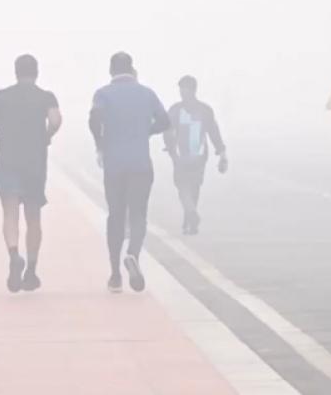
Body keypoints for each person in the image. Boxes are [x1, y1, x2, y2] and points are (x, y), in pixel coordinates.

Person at [0, 55, 62, 293]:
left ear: (16, 72)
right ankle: (32, 271)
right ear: (36, 72)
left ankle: (14, 254)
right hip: (35, 164)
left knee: (10, 212)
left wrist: (1, 125)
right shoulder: (46, 97)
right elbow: (56, 120)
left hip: (8, 162)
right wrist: (47, 134)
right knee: (33, 217)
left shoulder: (2, 97)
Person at [89, 52, 169, 293]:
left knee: (115, 216)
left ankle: (115, 275)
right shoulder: (147, 93)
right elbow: (165, 121)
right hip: (140, 164)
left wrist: (100, 143)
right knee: (138, 214)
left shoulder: (103, 94)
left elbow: (94, 119)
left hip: (114, 164)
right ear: (132, 69)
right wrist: (146, 130)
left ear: (110, 71)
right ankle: (132, 252)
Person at [163, 76, 228, 235]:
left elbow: (167, 131)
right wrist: (221, 151)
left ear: (192, 90)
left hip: (184, 156)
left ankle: (191, 213)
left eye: (183, 89)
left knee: (183, 187)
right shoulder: (204, 110)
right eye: (180, 89)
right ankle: (190, 221)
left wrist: (171, 150)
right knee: (193, 187)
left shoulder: (176, 110)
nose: (181, 92)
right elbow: (213, 132)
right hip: (196, 155)